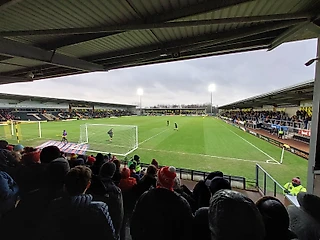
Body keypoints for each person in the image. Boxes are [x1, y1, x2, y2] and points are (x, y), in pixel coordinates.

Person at [42, 166, 117, 240]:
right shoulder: (99, 208)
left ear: (65, 185)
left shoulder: (54, 205)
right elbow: (111, 236)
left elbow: (47, 232)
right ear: (88, 185)